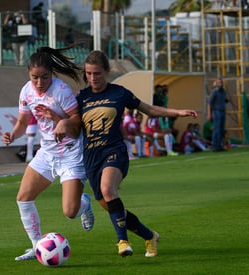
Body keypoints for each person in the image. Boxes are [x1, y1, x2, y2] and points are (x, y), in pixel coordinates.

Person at [76, 50, 198, 257]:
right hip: (91, 157)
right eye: (88, 74)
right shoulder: (81, 97)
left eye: (97, 73)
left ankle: (122, 242)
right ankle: (149, 236)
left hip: (114, 151)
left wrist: (177, 112)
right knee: (112, 206)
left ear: (107, 71)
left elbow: (149, 109)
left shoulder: (119, 93)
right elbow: (71, 122)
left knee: (108, 189)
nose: (92, 78)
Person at [1, 46, 95, 261]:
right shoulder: (26, 91)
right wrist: (13, 135)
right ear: (28, 74)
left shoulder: (61, 91)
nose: (40, 82)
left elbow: (78, 124)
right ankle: (36, 247)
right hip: (47, 153)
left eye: (45, 77)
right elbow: (23, 121)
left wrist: (59, 120)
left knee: (70, 212)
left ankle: (86, 203)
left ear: (52, 74)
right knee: (23, 198)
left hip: (71, 154)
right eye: (35, 77)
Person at [207, 78, 227, 152]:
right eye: (219, 83)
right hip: (216, 111)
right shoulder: (214, 91)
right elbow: (209, 103)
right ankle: (215, 146)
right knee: (217, 129)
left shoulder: (223, 92)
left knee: (221, 129)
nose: (220, 84)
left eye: (221, 83)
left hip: (222, 111)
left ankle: (219, 145)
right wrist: (209, 114)